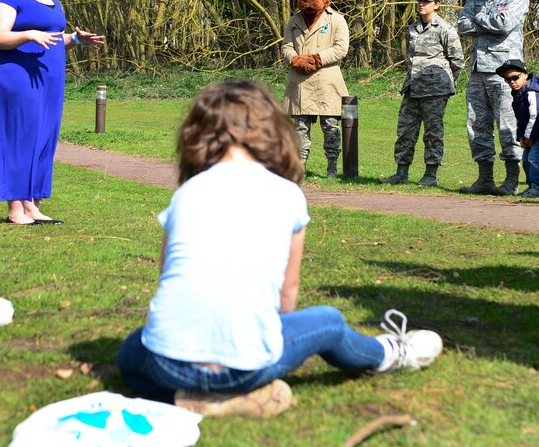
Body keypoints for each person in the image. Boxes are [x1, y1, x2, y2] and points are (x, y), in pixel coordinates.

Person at [117, 81, 443, 418]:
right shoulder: (287, 194)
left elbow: (166, 276)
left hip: (168, 364)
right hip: (249, 365)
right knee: (328, 322)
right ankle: (391, 353)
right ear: (272, 131)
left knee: (130, 352)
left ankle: (186, 398)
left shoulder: (186, 193)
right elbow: (287, 292)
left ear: (196, 135)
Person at [0, 0, 104, 225]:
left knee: (44, 137)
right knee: (20, 138)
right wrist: (28, 35)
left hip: (49, 79)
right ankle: (15, 208)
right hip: (18, 77)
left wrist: (75, 39)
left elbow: (50, 36)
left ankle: (33, 204)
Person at [457, 0, 530, 195]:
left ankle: (511, 180)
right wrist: (484, 19)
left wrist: (478, 18)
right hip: (478, 70)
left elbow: (504, 24)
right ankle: (484, 178)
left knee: (508, 125)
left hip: (506, 72)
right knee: (477, 125)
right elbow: (462, 24)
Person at [381, 0, 464, 186]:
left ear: (437, 5)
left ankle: (431, 175)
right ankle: (401, 172)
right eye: (419, 0)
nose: (421, 4)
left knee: (433, 132)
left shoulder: (445, 29)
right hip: (412, 88)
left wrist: (446, 84)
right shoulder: (412, 29)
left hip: (435, 91)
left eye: (426, 1)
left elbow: (458, 61)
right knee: (405, 130)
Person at [282, 0, 350, 178]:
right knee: (300, 127)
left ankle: (332, 169)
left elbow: (341, 48)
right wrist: (295, 59)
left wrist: (316, 59)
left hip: (327, 83)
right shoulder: (293, 21)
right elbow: (286, 46)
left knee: (330, 127)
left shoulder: (337, 20)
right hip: (299, 83)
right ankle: (300, 167)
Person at [497, 59, 539, 198]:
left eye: (515, 77)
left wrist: (529, 137)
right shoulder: (519, 93)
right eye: (508, 79)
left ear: (525, 74)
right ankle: (532, 186)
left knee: (534, 158)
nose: (512, 82)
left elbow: (536, 115)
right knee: (526, 159)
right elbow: (521, 118)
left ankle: (538, 188)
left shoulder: (533, 91)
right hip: (533, 131)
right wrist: (521, 137)